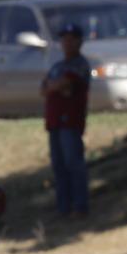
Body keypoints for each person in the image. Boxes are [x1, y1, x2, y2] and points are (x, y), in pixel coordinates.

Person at [41, 22, 91, 217]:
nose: (67, 43)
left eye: (72, 39)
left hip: (70, 122)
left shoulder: (80, 64)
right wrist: (57, 86)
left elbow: (66, 84)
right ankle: (63, 208)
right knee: (58, 166)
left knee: (73, 163)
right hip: (54, 122)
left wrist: (57, 86)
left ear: (79, 42)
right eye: (64, 39)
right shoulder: (57, 66)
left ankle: (80, 207)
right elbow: (44, 88)